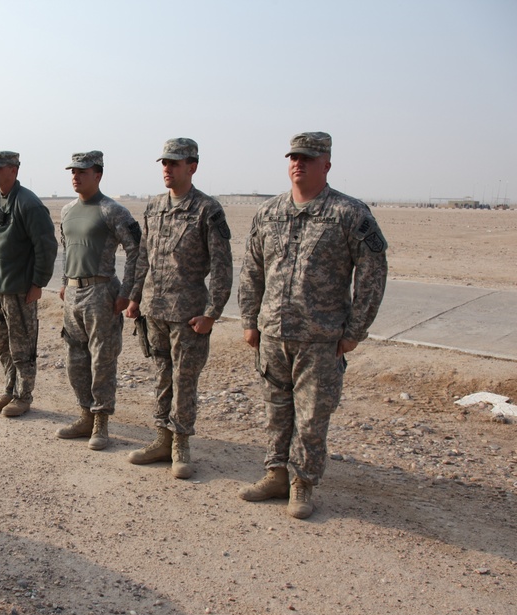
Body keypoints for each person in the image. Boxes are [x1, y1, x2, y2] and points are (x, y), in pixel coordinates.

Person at [238, 132, 388, 519]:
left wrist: (356, 330)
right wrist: (249, 320)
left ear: (327, 164)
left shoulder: (349, 213)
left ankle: (302, 483)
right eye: (293, 156)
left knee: (311, 416)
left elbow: (372, 273)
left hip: (320, 338)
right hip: (273, 333)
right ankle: (274, 474)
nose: (298, 163)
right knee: (275, 409)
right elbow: (252, 269)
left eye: (308, 157)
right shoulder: (269, 213)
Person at [125, 138, 233, 479]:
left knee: (185, 381)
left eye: (174, 163)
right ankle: (161, 438)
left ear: (192, 166)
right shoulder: (154, 206)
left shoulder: (207, 209)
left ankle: (181, 446)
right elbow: (144, 256)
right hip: (154, 310)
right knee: (161, 377)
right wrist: (134, 297)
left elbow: (222, 265)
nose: (167, 169)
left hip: (189, 315)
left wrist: (213, 313)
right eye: (164, 163)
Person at [56, 151, 140, 450]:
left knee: (102, 361)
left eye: (82, 171)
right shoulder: (67, 211)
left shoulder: (112, 210)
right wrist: (65, 283)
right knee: (75, 360)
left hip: (101, 292)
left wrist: (127, 292)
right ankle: (84, 416)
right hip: (74, 294)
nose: (75, 176)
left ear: (98, 175)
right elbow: (68, 249)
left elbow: (136, 251)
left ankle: (101, 422)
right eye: (73, 172)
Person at [0, 151, 58, 417]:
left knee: (22, 345)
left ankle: (23, 397)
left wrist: (38, 282)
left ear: (14, 170)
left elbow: (46, 246)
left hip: (19, 289)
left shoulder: (28, 203)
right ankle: (9, 390)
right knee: (3, 343)